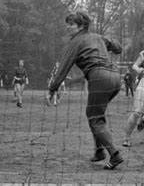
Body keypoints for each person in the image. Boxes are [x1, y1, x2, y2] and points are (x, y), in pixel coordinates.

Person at [45, 11, 124, 170]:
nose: (68, 27)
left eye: (71, 24)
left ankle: (115, 155)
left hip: (99, 78)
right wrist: (110, 44)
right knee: (96, 115)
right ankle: (99, 152)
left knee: (94, 118)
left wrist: (52, 89)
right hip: (115, 78)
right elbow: (118, 48)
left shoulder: (76, 41)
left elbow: (64, 67)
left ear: (81, 26)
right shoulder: (97, 37)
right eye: (67, 23)